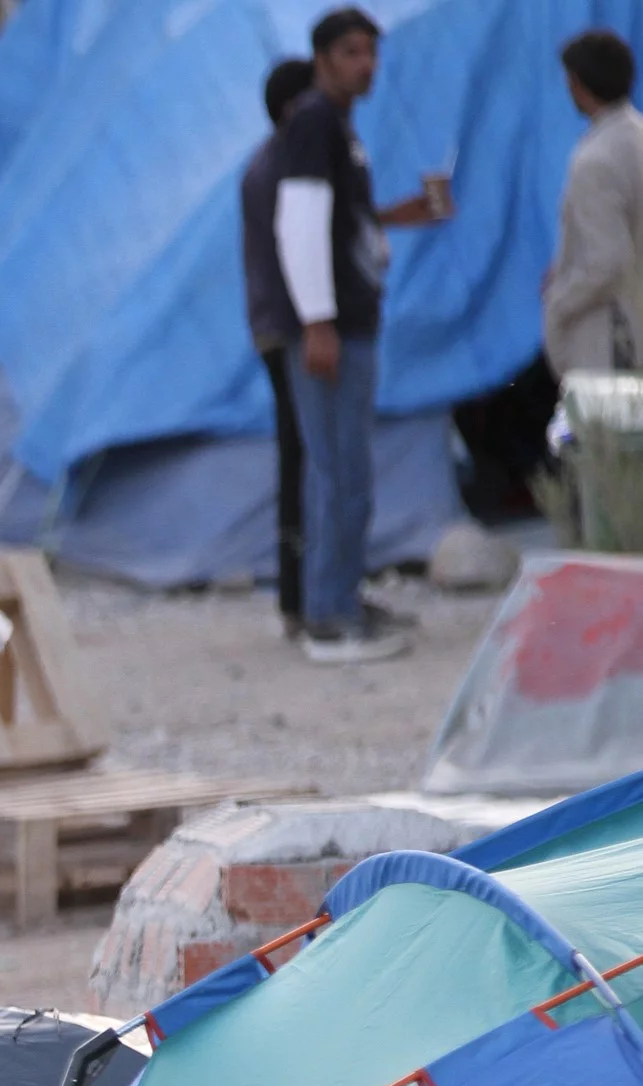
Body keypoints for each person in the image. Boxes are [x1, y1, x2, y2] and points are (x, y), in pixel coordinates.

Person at [274, 7, 451, 664]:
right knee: (336, 472)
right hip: (332, 330)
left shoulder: (343, 131)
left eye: (371, 53)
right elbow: (297, 226)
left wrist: (403, 216)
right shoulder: (314, 124)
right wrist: (316, 321)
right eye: (351, 53)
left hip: (353, 323)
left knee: (352, 472)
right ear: (322, 58)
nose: (365, 66)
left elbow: (342, 223)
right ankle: (326, 615)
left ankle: (341, 595)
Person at [243, 58, 316, 635]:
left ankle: (303, 593)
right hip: (294, 332)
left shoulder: (272, 163)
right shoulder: (283, 167)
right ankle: (305, 595)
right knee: (308, 458)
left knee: (303, 457)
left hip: (282, 327)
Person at [547, 30, 643, 376]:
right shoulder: (634, 137)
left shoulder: (596, 160)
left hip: (612, 342)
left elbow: (607, 262)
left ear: (577, 83)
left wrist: (560, 299)